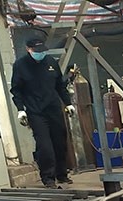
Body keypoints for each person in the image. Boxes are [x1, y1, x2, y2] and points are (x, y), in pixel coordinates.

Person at [10, 37, 76, 188]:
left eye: (42, 51)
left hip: (53, 108)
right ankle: (48, 178)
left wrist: (68, 103)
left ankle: (62, 174)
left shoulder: (51, 62)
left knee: (60, 142)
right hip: (36, 111)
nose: (40, 54)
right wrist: (20, 109)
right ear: (28, 49)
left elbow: (60, 85)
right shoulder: (20, 65)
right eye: (36, 51)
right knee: (45, 146)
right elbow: (16, 90)